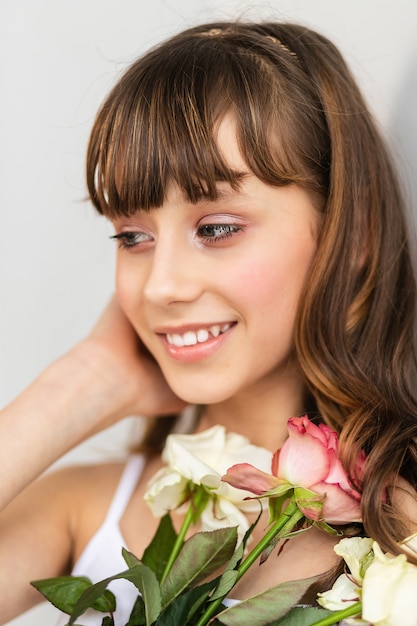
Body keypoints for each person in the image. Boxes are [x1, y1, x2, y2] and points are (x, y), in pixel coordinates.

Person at [1, 20, 417, 625]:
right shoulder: (81, 509)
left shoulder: (405, 528)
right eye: (132, 236)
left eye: (217, 228)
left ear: (351, 238)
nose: (162, 286)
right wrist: (78, 386)